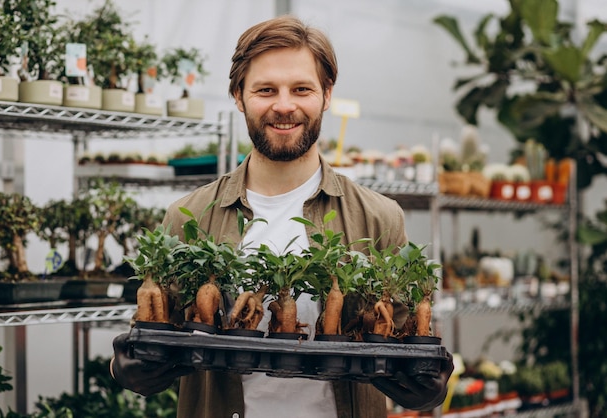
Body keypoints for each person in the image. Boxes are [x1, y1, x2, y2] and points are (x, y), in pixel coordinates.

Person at [111, 14, 453, 418]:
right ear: (238, 96)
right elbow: (158, 330)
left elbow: (403, 335)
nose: (284, 105)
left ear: (326, 94)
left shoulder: (377, 218)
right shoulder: (191, 216)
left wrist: (427, 383)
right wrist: (128, 364)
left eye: (301, 89)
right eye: (266, 89)